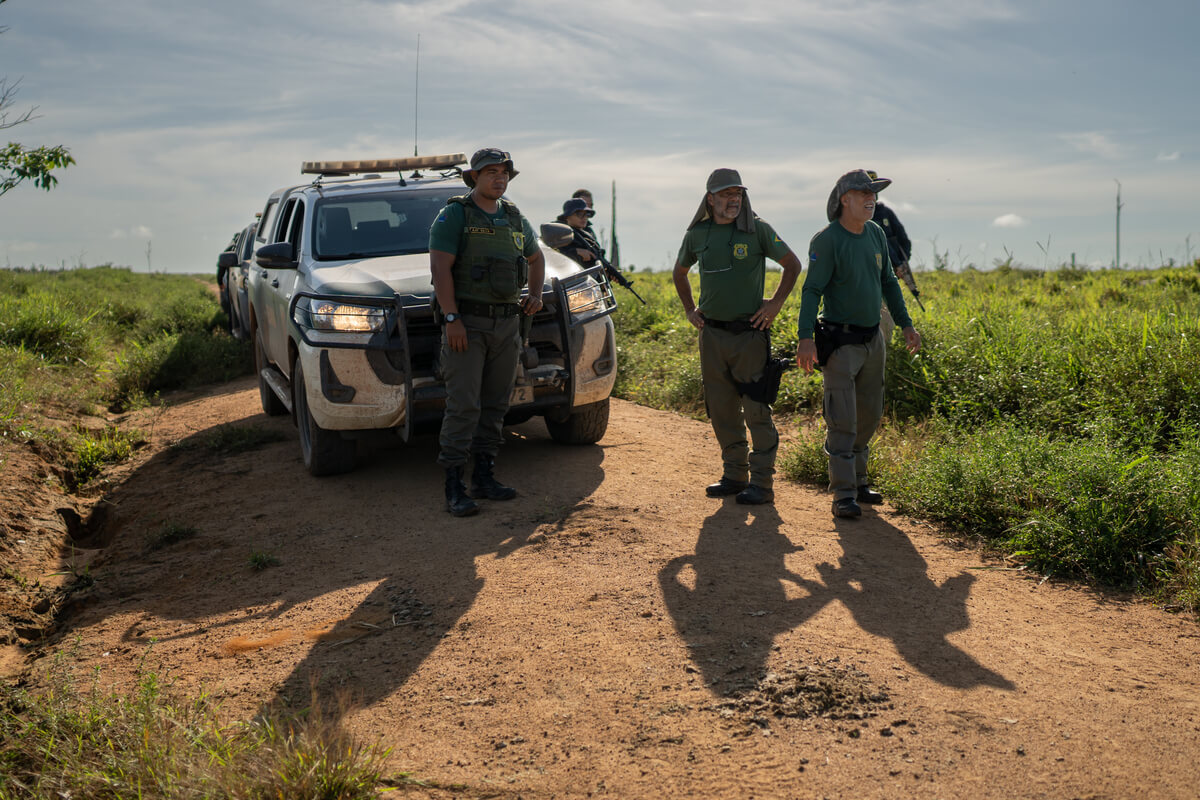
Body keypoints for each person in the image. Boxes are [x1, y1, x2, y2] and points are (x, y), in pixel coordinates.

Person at [794, 169, 921, 519]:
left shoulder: (876, 233)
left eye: (874, 193)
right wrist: (805, 338)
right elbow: (812, 291)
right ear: (843, 199)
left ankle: (860, 480)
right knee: (843, 418)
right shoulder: (827, 240)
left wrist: (907, 324)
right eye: (864, 192)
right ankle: (844, 493)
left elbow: (889, 284)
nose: (872, 198)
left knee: (869, 413)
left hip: (872, 338)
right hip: (840, 341)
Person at [673, 168, 802, 505]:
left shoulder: (757, 229)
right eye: (727, 194)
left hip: (750, 335)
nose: (734, 200)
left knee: (756, 410)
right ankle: (734, 476)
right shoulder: (697, 234)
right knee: (722, 409)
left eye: (738, 194)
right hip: (712, 335)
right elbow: (680, 272)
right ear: (710, 199)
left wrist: (774, 304)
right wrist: (690, 309)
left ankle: (761, 482)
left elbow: (792, 264)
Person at [428, 148, 545, 516]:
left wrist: (536, 295)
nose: (499, 178)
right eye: (491, 172)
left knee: (496, 404)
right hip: (468, 323)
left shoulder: (513, 217)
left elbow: (536, 257)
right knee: (464, 404)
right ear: (474, 177)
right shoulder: (455, 215)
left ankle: (484, 475)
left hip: (506, 324)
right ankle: (453, 485)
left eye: (504, 172)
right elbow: (440, 269)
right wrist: (451, 318)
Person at [866, 169, 916, 339]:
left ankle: (885, 346)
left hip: (889, 271)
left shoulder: (885, 213)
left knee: (889, 310)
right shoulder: (857, 217)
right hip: (866, 274)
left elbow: (904, 241)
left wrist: (902, 263)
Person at [553, 197, 603, 267]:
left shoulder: (587, 235)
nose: (584, 218)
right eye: (579, 214)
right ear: (567, 216)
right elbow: (553, 257)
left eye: (587, 214)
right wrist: (575, 252)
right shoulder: (560, 234)